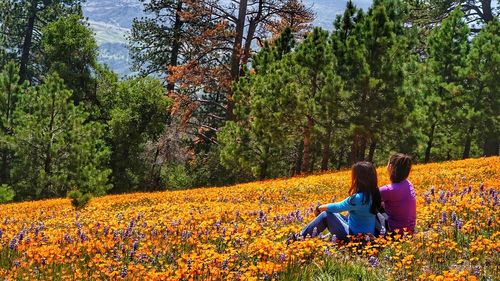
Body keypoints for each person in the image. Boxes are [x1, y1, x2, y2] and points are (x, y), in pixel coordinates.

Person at [298, 161, 382, 240]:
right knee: (334, 214)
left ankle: (300, 237)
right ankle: (304, 236)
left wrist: (319, 208)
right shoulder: (373, 194)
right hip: (366, 233)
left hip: (355, 236)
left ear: (359, 179)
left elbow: (337, 207)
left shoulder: (358, 198)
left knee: (325, 215)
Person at [379, 153, 416, 233]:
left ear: (390, 167)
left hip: (396, 231)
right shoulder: (408, 183)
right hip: (410, 230)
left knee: (366, 207)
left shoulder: (388, 190)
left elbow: (367, 200)